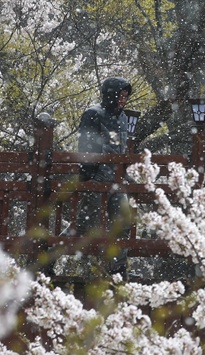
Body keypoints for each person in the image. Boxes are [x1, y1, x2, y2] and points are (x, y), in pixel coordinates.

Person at [75, 76, 133, 274]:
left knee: (123, 222)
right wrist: (88, 174)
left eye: (125, 96)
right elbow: (86, 146)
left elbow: (120, 146)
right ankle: (51, 257)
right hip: (97, 178)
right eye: (120, 95)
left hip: (117, 180)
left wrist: (125, 171)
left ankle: (118, 269)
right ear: (111, 94)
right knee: (85, 227)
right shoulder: (94, 114)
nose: (123, 100)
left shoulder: (123, 117)